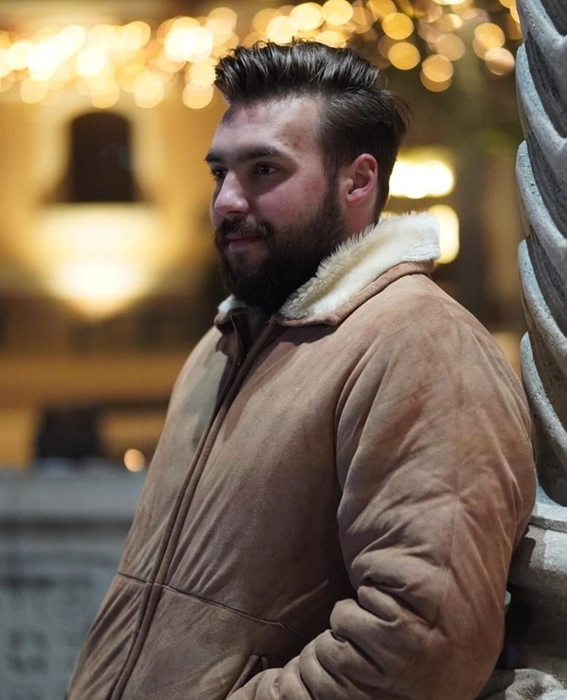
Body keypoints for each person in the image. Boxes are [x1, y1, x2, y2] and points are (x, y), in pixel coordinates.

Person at [67, 41, 535, 700]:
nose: (227, 201)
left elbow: (422, 644)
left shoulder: (423, 346)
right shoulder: (224, 343)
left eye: (264, 170)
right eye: (220, 173)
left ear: (357, 182)